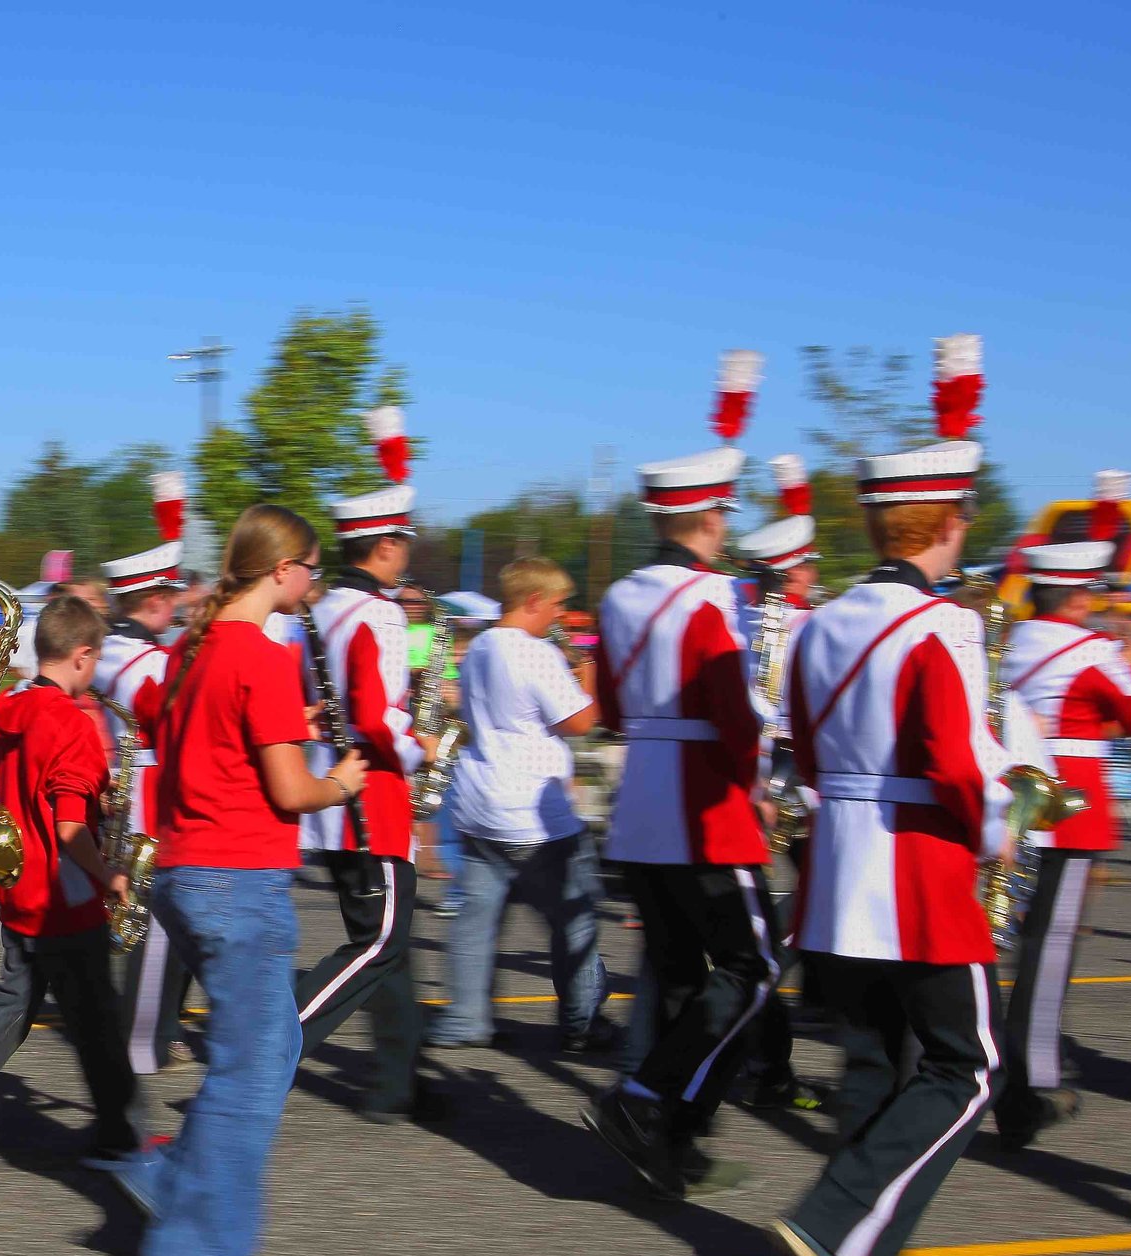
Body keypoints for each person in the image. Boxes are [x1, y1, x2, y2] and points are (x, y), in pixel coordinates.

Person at [769, 333, 1009, 1256]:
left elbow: (811, 758)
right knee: (966, 1066)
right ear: (947, 523)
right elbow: (957, 764)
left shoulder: (820, 620)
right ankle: (833, 1221)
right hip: (917, 870)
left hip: (838, 866)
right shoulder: (941, 628)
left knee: (878, 1063)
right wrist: (1002, 831)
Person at [108, 504, 363, 1256]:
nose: (315, 585)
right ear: (285, 571)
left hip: (187, 872)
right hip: (237, 876)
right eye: (312, 570)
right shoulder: (262, 654)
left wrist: (292, 723)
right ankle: (197, 1252)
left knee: (269, 1048)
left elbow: (196, 731)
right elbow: (290, 790)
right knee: (251, 1068)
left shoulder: (195, 645)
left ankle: (171, 1173)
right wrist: (341, 783)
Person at [584, 366, 780, 1199]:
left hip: (642, 806)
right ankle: (641, 1100)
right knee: (757, 964)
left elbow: (613, 705)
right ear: (708, 517)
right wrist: (762, 774)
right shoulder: (713, 598)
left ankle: (678, 1134)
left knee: (685, 979)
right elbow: (734, 710)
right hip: (707, 805)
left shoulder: (621, 595)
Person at [995, 530, 1131, 1147]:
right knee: (1049, 952)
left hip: (1012, 804)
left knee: (993, 936)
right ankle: (1028, 1087)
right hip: (1071, 811)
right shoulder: (1092, 648)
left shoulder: (1010, 641)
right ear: (1078, 596)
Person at [0, 593, 139, 1164]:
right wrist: (109, 873)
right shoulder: (72, 723)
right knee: (97, 1019)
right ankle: (119, 1133)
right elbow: (68, 828)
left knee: (14, 1001)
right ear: (83, 656)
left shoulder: (15, 708)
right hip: (62, 896)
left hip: (19, 884)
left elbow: (39, 794)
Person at [292, 418, 430, 1122]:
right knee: (379, 943)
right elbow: (379, 718)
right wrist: (423, 749)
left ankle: (400, 1084)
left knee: (392, 948)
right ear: (384, 545)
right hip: (373, 796)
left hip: (335, 795)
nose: (407, 553)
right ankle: (278, 1040)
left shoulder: (322, 611)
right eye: (403, 542)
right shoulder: (378, 615)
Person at [426, 558, 609, 1054]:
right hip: (532, 811)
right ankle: (582, 1022)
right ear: (532, 601)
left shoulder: (481, 645)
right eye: (556, 604)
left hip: (480, 803)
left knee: (476, 918)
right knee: (575, 919)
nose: (560, 614)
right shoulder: (534, 654)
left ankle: (465, 1017)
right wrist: (587, 671)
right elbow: (581, 722)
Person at [723, 474, 831, 1114]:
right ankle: (774, 1056)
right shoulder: (813, 626)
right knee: (792, 917)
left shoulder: (736, 616)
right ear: (794, 573)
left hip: (752, 780)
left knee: (760, 921)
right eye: (810, 565)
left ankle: (772, 1049)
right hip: (795, 782)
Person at [95, 488, 192, 1074]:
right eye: (168, 594)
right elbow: (173, 719)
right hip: (150, 797)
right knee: (157, 926)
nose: (175, 603)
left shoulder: (112, 648)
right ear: (151, 599)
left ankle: (158, 1029)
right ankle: (142, 1040)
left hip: (131, 790)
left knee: (159, 921)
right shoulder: (148, 662)